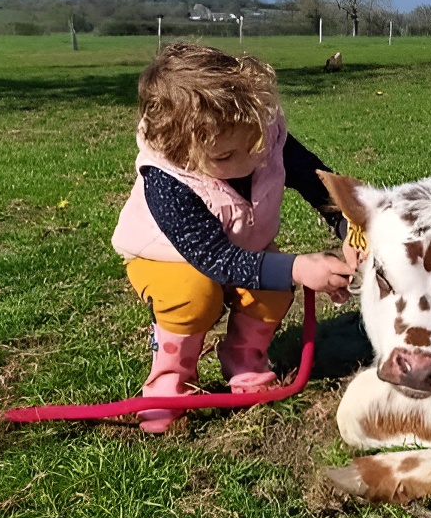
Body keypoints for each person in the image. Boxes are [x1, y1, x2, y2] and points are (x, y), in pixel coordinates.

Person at [112, 43, 356, 432]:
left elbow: (313, 178)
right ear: (180, 150)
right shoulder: (167, 179)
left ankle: (244, 361)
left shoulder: (258, 136)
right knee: (194, 293)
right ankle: (169, 382)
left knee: (273, 289)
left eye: (256, 142)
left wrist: (348, 225)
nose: (253, 159)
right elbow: (216, 260)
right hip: (169, 257)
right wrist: (297, 266)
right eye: (226, 157)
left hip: (242, 248)